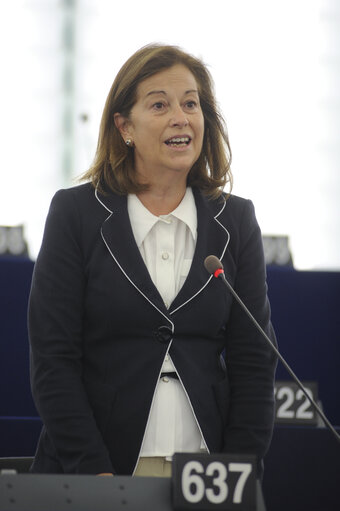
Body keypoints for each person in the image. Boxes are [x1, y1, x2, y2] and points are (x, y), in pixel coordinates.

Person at [28, 44, 277, 478]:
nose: (180, 117)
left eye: (191, 104)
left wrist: (236, 470)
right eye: (159, 104)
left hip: (205, 473)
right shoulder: (76, 215)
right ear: (124, 126)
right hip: (99, 469)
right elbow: (53, 359)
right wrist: (94, 474)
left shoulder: (235, 220)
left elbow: (254, 360)